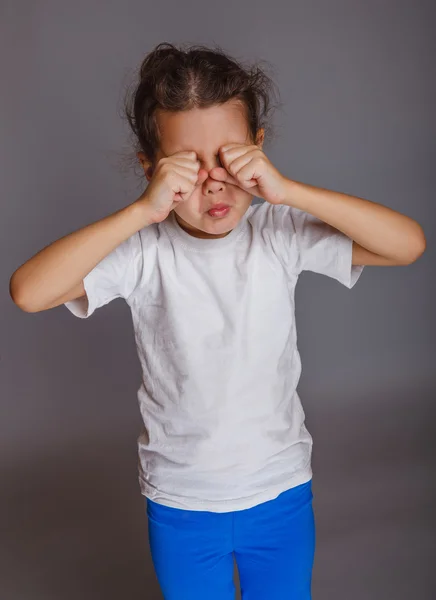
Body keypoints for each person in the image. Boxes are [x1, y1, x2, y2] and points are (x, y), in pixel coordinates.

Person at [9, 42, 426, 600]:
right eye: (187, 164)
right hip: (181, 501)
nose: (212, 181)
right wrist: (142, 210)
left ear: (258, 147)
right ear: (151, 167)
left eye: (229, 157)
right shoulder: (144, 250)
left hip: (280, 489)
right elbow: (28, 293)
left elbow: (408, 245)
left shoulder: (278, 231)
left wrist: (289, 191)